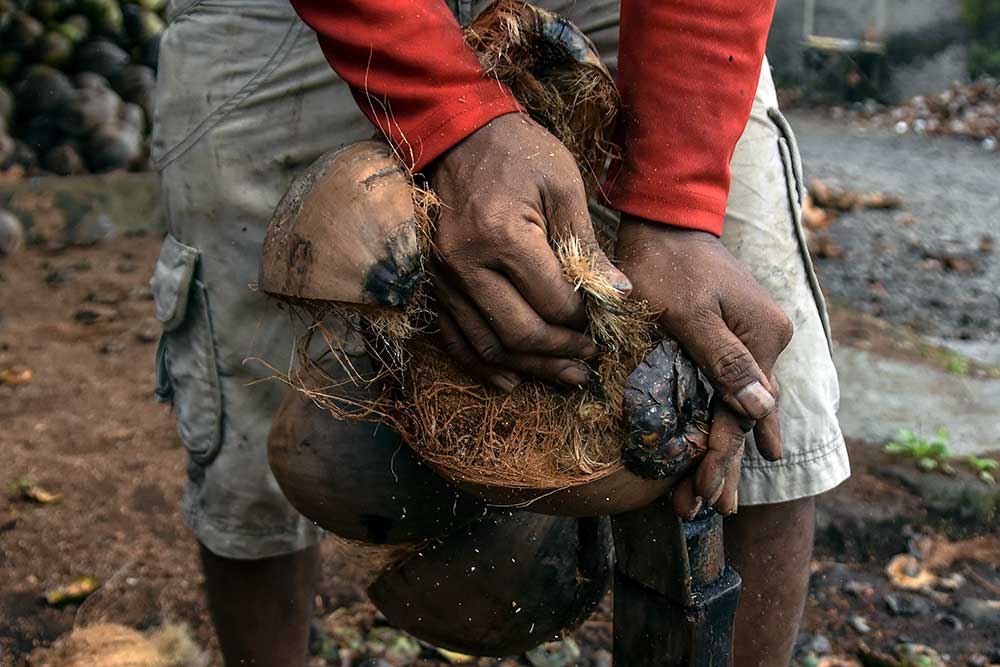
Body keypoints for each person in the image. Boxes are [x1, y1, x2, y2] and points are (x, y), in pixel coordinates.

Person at [149, 0, 849, 665]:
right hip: (285, 22)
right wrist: (444, 114)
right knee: (248, 442)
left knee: (759, 419)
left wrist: (677, 202)